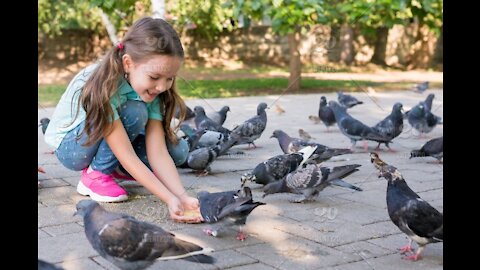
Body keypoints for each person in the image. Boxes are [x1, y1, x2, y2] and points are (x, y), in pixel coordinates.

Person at [44, 17, 201, 223]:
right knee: (135, 111)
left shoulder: (153, 90)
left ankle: (114, 168)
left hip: (105, 139)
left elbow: (158, 152)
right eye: (155, 77)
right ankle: (95, 176)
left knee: (178, 152)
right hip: (72, 148)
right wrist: (168, 199)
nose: (162, 87)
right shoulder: (103, 83)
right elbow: (125, 153)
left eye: (169, 78)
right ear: (128, 63)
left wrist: (180, 196)